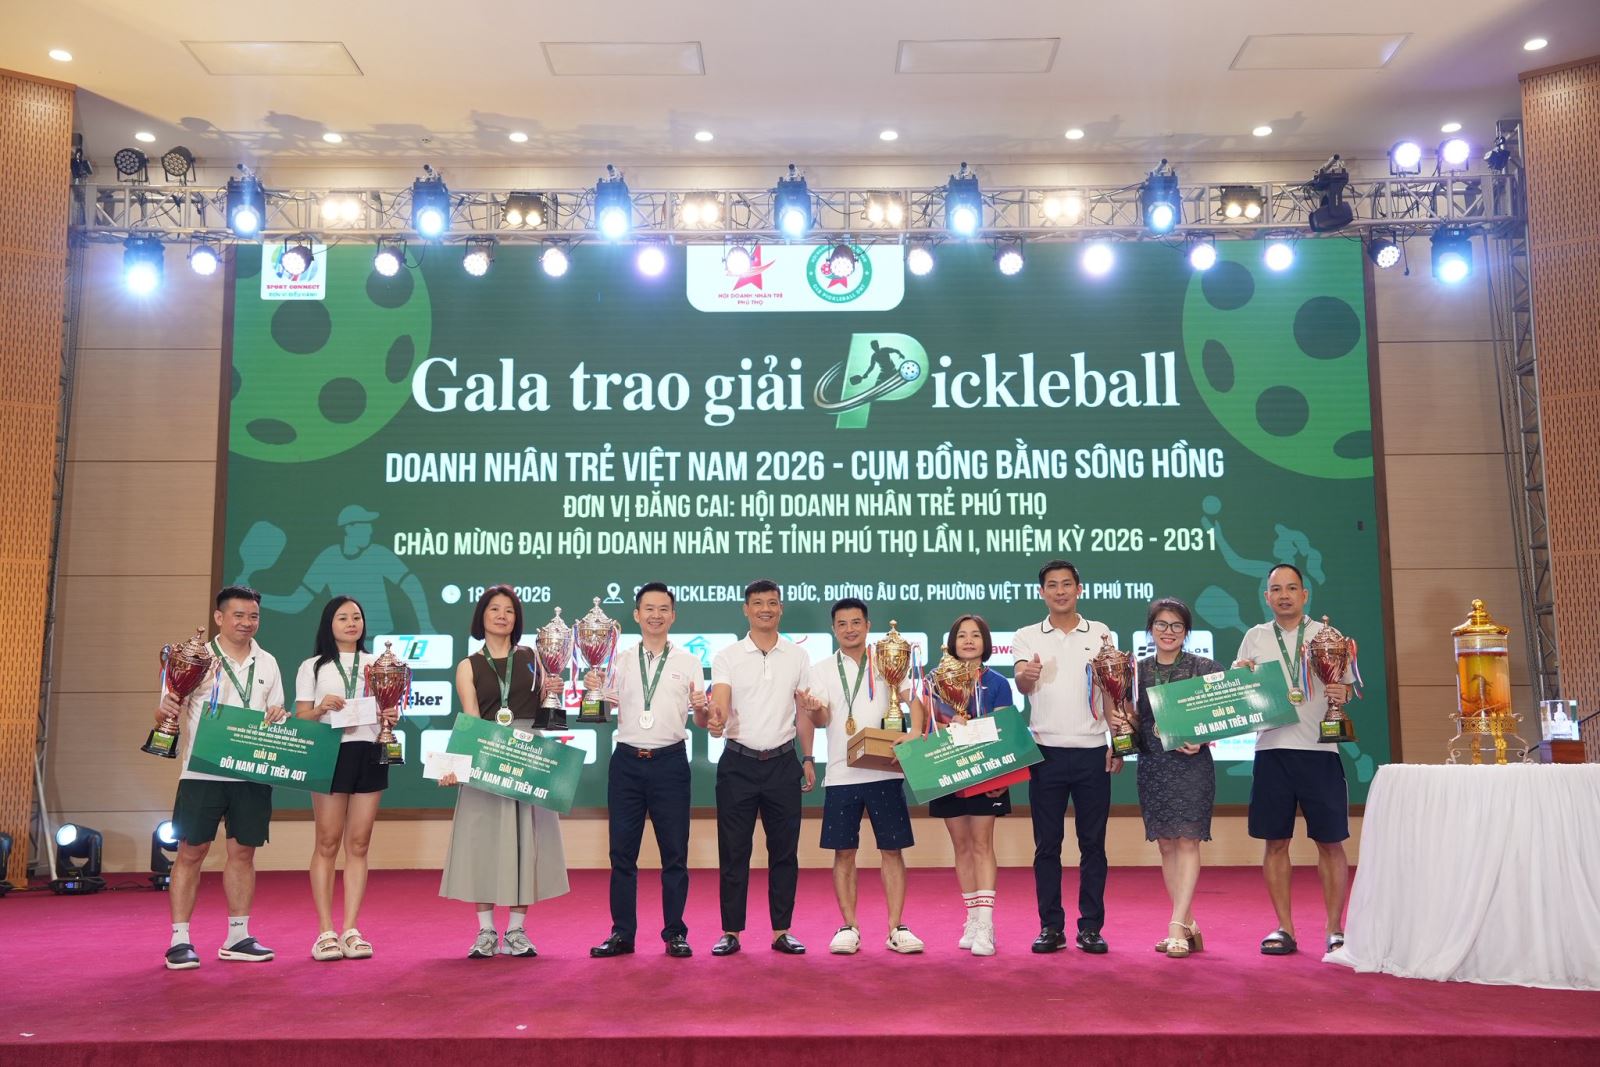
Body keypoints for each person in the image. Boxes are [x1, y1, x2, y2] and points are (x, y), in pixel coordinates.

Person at [156, 585, 287, 970]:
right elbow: (163, 714)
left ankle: (238, 936)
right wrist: (166, 707)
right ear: (219, 617)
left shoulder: (268, 662)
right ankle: (179, 939)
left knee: (243, 853)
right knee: (191, 851)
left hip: (251, 772)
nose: (247, 623)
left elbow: (276, 713)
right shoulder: (195, 658)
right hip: (202, 771)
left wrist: (278, 716)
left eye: (254, 616)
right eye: (239, 615)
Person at [437, 585, 569, 959]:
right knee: (482, 841)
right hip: (486, 751)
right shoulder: (468, 665)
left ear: (517, 619)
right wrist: (456, 766)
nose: (501, 616)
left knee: (526, 841)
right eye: (494, 609)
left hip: (527, 755)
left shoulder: (534, 658)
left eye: (509, 610)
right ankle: (485, 932)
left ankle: (516, 930)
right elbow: (470, 720)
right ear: (481, 616)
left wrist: (553, 691)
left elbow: (545, 711)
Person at [1233, 563, 1354, 956]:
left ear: (1305, 594)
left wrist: (1341, 692)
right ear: (1266, 597)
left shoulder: (1327, 636)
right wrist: (1241, 678)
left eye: (1291, 588)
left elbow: (1346, 689)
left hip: (1320, 752)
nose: (1283, 595)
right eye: (1276, 589)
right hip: (1271, 752)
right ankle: (1284, 927)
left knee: (1330, 842)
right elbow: (1239, 695)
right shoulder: (1254, 637)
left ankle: (1335, 929)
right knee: (1275, 842)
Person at [796, 598, 924, 955]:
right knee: (844, 852)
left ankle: (896, 927)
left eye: (856, 622)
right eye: (842, 623)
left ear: (868, 625)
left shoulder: (887, 660)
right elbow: (821, 718)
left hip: (885, 771)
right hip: (842, 774)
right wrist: (814, 709)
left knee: (892, 850)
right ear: (833, 629)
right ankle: (849, 926)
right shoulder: (821, 670)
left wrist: (915, 732)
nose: (849, 629)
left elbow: (913, 698)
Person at [589, 582, 705, 959]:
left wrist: (704, 707)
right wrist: (593, 690)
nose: (656, 615)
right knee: (622, 855)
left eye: (663, 609)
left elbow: (702, 717)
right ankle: (622, 934)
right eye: (649, 609)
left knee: (675, 855)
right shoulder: (618, 660)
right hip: (626, 763)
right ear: (637, 615)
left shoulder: (688, 662)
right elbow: (601, 713)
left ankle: (675, 933)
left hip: (671, 763)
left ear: (673, 616)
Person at [1012, 559, 1122, 955]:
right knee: (1047, 846)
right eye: (1052, 585)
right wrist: (1027, 675)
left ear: (1079, 589)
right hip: (1045, 754)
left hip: (1093, 753)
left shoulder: (1101, 633)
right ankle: (1050, 927)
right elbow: (1022, 682)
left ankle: (1090, 927)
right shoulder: (1026, 635)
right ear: (1042, 592)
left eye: (1066, 584)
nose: (1060, 591)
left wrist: (1118, 741)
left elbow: (1111, 691)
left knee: (1093, 844)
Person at [702, 578, 813, 956]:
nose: (765, 609)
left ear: (781, 608)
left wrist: (808, 757)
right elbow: (720, 697)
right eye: (758, 603)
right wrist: (716, 716)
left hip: (783, 762)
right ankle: (731, 931)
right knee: (734, 851)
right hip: (738, 763)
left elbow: (804, 711)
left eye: (772, 602)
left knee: (785, 852)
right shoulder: (728, 656)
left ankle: (782, 930)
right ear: (746, 609)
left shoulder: (797, 656)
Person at [292, 595, 400, 961]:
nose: (352, 623)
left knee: (359, 843)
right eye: (343, 617)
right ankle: (325, 931)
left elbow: (389, 710)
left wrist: (390, 716)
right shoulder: (312, 667)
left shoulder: (378, 663)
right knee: (327, 842)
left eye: (357, 617)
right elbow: (300, 718)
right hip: (328, 753)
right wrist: (321, 708)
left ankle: (351, 929)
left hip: (370, 752)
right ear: (329, 624)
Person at [915, 613, 1013, 956]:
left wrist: (1001, 776)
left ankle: (986, 924)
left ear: (986, 643)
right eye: (962, 635)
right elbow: (926, 726)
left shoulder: (998, 682)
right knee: (961, 846)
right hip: (948, 770)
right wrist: (949, 724)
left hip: (986, 772)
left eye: (975, 635)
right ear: (952, 643)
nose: (969, 640)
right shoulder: (934, 681)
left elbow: (1004, 731)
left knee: (982, 843)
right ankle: (972, 918)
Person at [1132, 597, 1223, 959]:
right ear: (1150, 629)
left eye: (1176, 626)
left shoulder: (1204, 667)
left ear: (1186, 632)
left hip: (1191, 766)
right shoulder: (1136, 671)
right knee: (1166, 845)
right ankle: (1188, 924)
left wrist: (1203, 736)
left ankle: (1175, 927)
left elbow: (1225, 714)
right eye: (1161, 624)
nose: (1168, 632)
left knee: (1187, 842)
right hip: (1153, 766)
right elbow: (1131, 719)